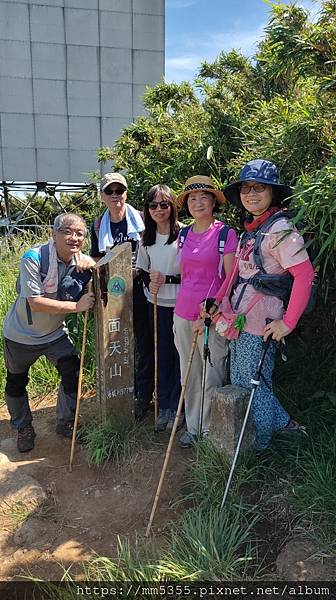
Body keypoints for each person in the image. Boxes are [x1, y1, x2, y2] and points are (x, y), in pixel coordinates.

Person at [214, 158, 314, 451]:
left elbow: (304, 274)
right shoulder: (253, 228)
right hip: (242, 317)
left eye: (260, 187)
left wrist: (288, 322)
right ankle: (286, 427)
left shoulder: (280, 228)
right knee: (251, 380)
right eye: (246, 188)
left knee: (252, 383)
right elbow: (237, 274)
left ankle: (261, 444)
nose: (251, 193)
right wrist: (218, 303)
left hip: (263, 322)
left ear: (273, 192)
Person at [3, 213, 95, 453]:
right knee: (16, 382)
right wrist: (77, 307)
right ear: (53, 234)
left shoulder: (81, 262)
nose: (74, 238)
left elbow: (100, 271)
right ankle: (23, 427)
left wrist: (93, 269)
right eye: (67, 231)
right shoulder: (33, 258)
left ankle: (65, 423)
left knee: (71, 371)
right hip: (20, 335)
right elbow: (35, 302)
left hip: (54, 334)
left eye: (80, 234)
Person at [174, 176, 238, 448]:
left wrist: (211, 309)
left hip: (212, 315)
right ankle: (193, 426)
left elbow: (231, 277)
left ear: (214, 202)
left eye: (203, 197)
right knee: (188, 374)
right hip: (182, 312)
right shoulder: (183, 234)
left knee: (212, 373)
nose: (198, 202)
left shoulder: (226, 234)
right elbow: (184, 275)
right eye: (192, 198)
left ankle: (211, 430)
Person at [90, 172, 154, 420]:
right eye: (110, 191)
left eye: (120, 191)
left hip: (141, 290)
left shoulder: (141, 218)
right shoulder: (99, 225)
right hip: (113, 293)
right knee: (119, 340)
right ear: (102, 196)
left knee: (143, 343)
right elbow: (96, 258)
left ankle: (143, 395)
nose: (115, 196)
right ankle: (120, 390)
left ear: (126, 193)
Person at [136, 184, 182, 432]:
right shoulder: (146, 238)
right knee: (162, 355)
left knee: (180, 356)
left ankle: (178, 406)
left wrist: (169, 280)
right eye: (153, 205)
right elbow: (143, 271)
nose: (158, 209)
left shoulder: (185, 235)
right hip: (156, 304)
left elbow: (194, 275)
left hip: (182, 305)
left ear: (172, 206)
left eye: (164, 204)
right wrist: (149, 281)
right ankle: (164, 404)